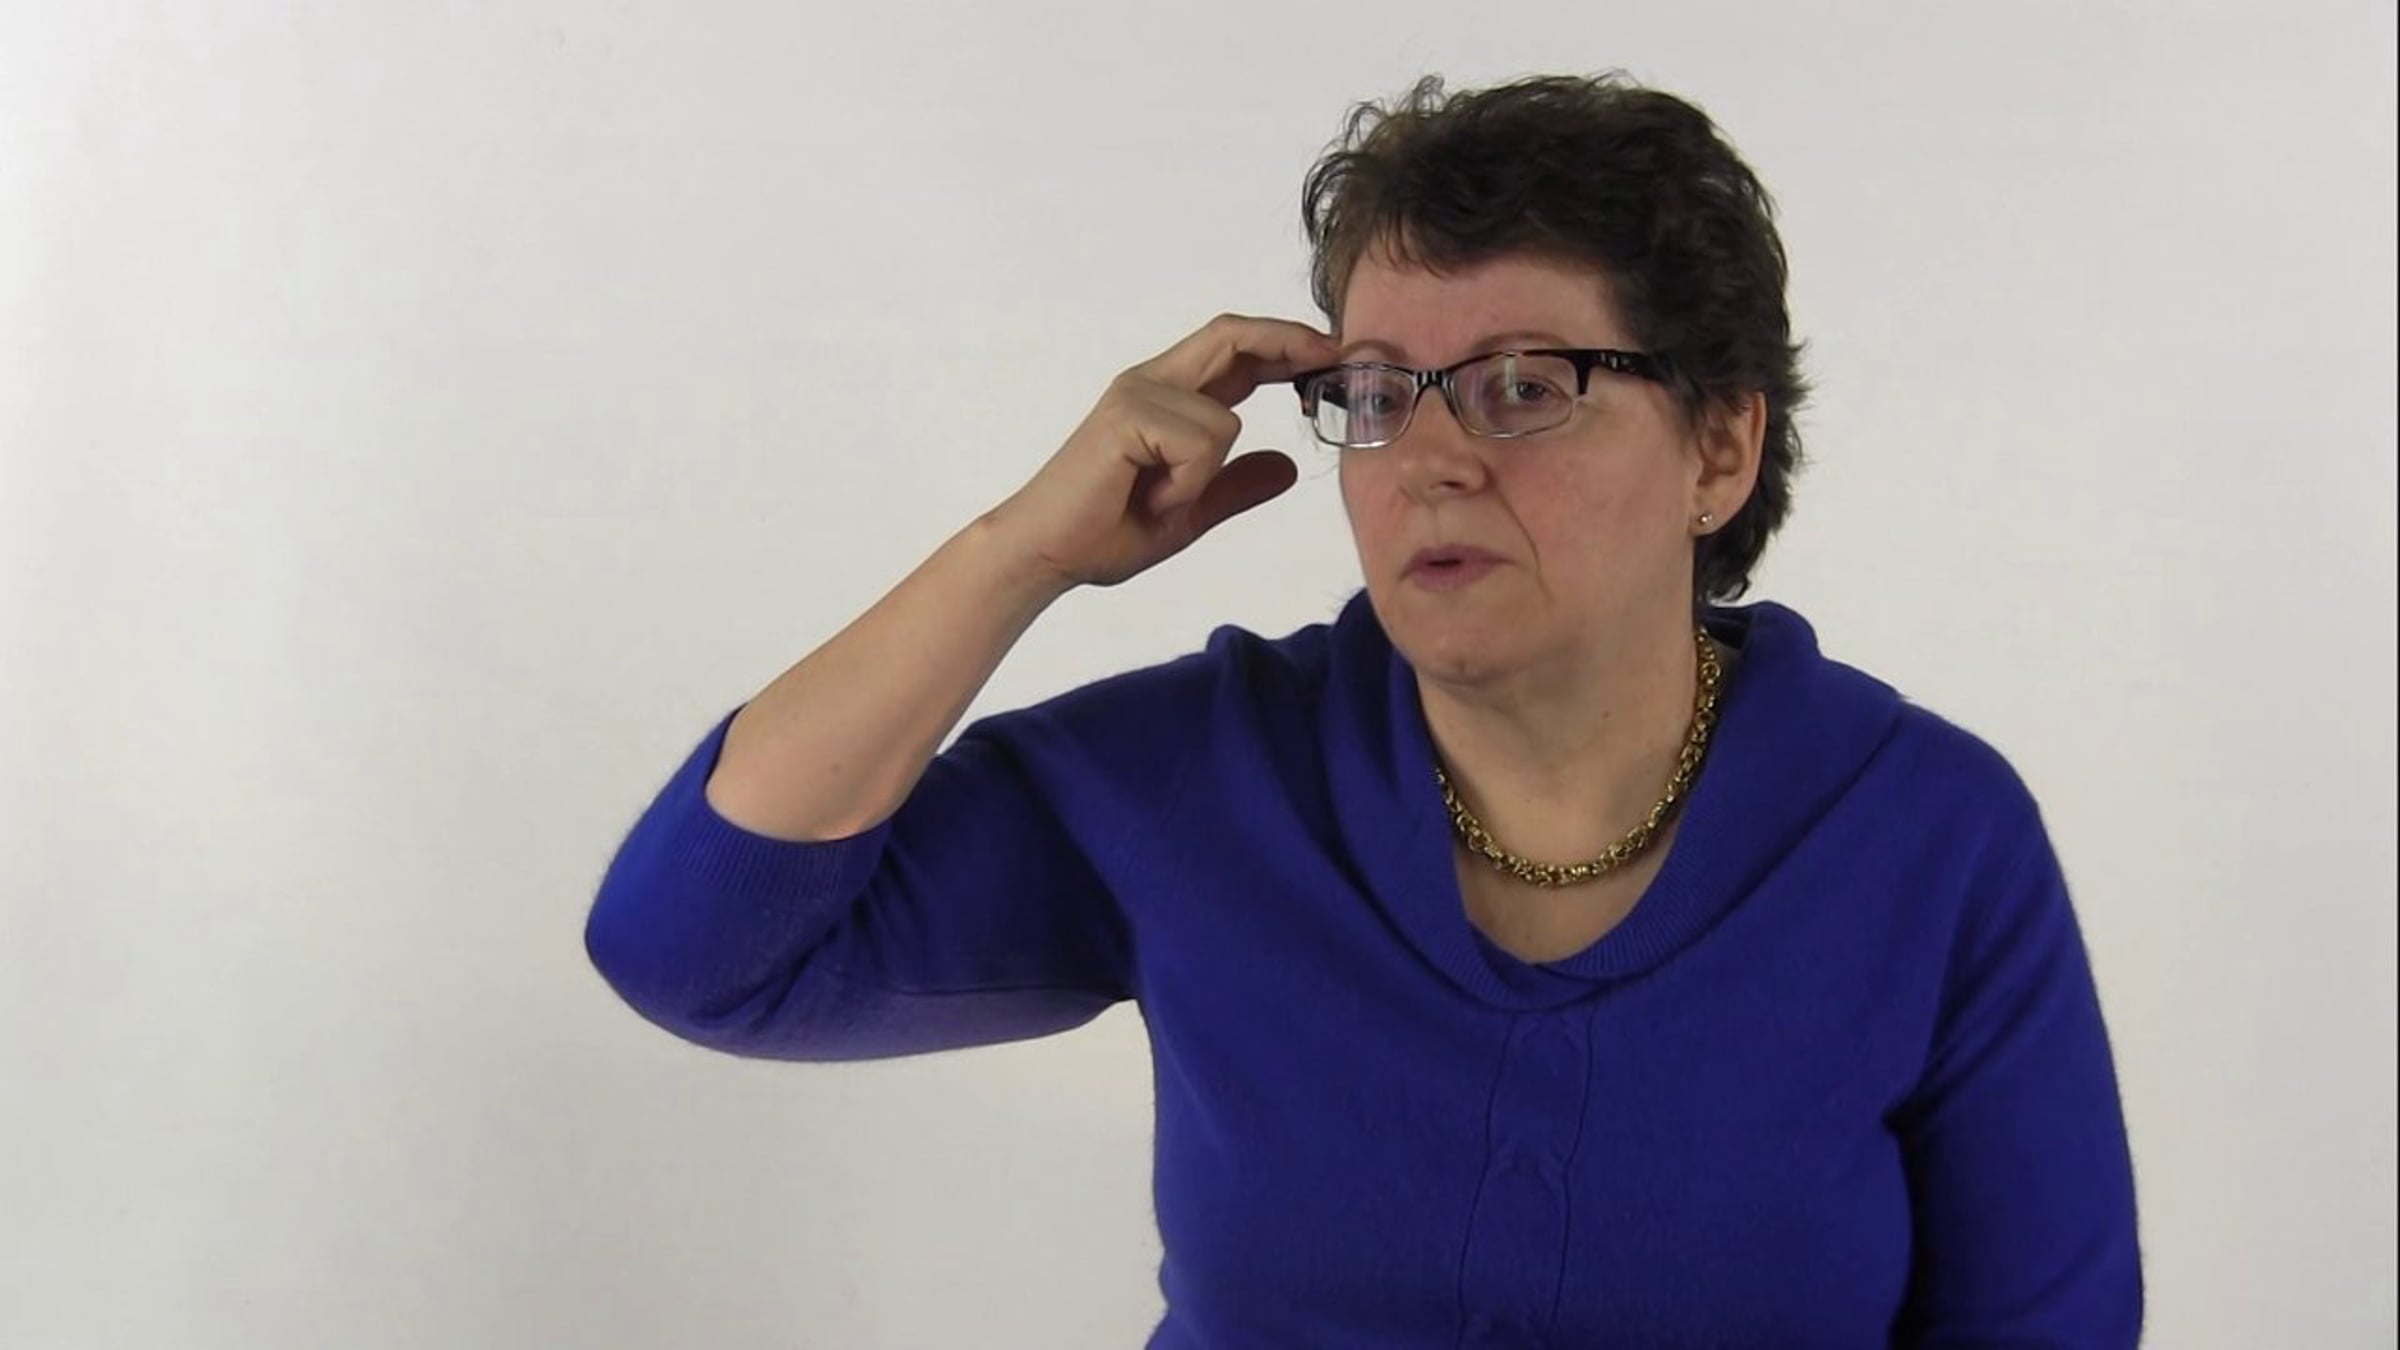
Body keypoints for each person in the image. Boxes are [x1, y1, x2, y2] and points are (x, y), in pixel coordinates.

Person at [584, 72, 2143, 1347]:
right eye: (1381, 391)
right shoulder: (1212, 772)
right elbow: (700, 952)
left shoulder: (1927, 839)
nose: (1431, 457)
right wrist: (1022, 552)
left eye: (1524, 383)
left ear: (1720, 449)